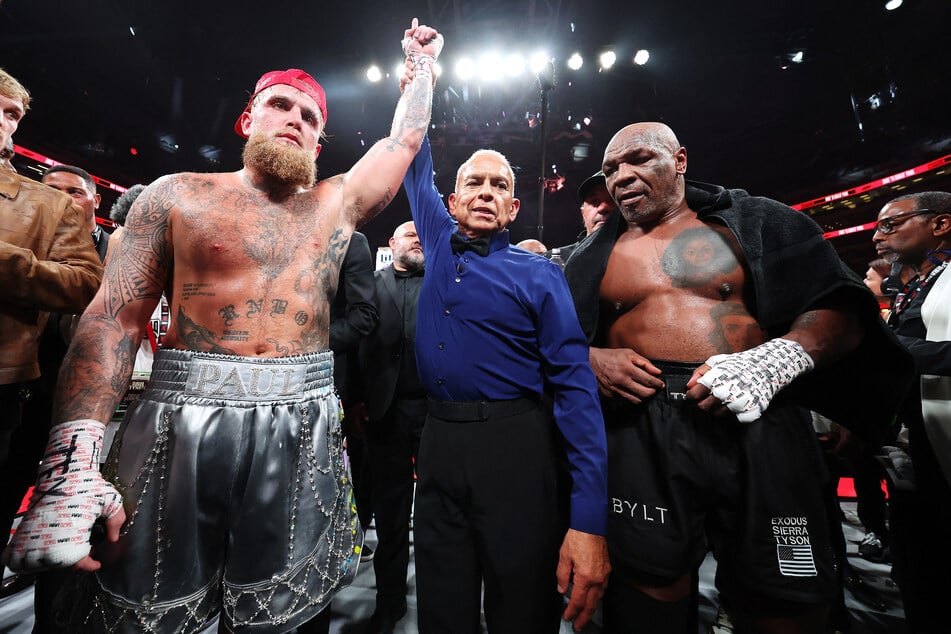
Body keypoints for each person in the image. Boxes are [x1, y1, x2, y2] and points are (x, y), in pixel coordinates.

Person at [2, 20, 442, 633]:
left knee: (280, 616)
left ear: (319, 141)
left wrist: (420, 66)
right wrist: (73, 457)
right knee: (146, 608)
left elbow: (405, 138)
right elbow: (114, 317)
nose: (294, 119)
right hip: (179, 421)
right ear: (248, 119)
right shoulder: (175, 195)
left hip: (301, 420)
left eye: (310, 116)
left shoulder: (336, 204)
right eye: (279, 105)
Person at [564, 121, 911, 633]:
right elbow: (555, 345)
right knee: (648, 589)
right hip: (642, 425)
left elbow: (838, 306)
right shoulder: (587, 258)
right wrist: (590, 358)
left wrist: (776, 360)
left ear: (680, 161)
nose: (621, 176)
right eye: (612, 168)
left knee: (788, 597)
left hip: (762, 419)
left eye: (638, 159)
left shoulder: (759, 220)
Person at [403, 135, 610, 633]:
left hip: (516, 449)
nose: (485, 192)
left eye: (499, 185)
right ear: (451, 203)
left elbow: (577, 393)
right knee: (441, 610)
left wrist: (588, 520)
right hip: (439, 446)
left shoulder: (540, 275)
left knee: (521, 608)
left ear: (513, 208)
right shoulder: (434, 239)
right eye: (473, 182)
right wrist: (420, 72)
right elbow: (413, 156)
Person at [0, 68, 103, 540]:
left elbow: (86, 286)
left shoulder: (47, 209)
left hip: (36, 388)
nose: (3, 120)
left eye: (10, 113)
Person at [871, 191, 951, 632]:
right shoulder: (910, 288)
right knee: (916, 563)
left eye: (890, 225)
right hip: (909, 446)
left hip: (941, 441)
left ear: (939, 225)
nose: (878, 236)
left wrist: (888, 351)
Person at [357, 220, 427, 633]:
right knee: (390, 518)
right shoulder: (369, 283)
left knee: (438, 516)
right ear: (391, 243)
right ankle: (389, 601)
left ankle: (440, 598)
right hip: (383, 415)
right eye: (408, 232)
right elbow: (354, 344)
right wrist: (355, 400)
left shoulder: (442, 281)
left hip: (436, 413)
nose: (417, 237)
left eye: (422, 233)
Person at [328, 230, 378, 560]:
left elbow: (363, 319)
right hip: (257, 377)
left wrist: (298, 338)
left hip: (329, 380)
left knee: (338, 476)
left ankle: (345, 543)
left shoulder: (348, 240)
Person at [42, 165, 109, 261]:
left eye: (75, 192)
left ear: (96, 201)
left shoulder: (119, 248)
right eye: (52, 191)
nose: (63, 198)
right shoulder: (22, 240)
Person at [549, 171, 615, 262]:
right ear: (583, 213)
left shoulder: (638, 257)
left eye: (612, 200)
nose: (602, 208)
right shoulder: (552, 262)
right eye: (594, 201)